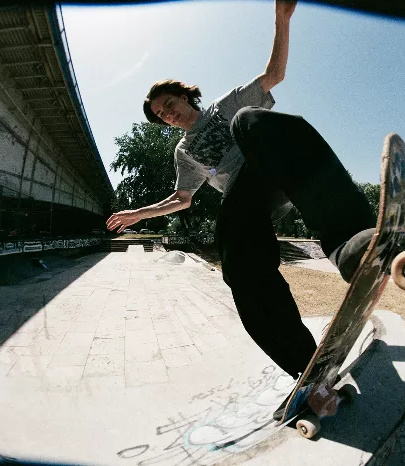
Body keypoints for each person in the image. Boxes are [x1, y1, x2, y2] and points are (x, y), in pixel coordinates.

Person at [106, 0, 376, 419]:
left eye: (169, 103)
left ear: (184, 94)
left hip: (275, 164)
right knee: (237, 261)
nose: (168, 114)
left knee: (249, 119)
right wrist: (137, 215)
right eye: (161, 115)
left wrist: (281, 21)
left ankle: (352, 245)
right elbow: (182, 199)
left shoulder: (223, 105)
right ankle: (307, 369)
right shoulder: (183, 152)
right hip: (249, 198)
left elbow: (275, 76)